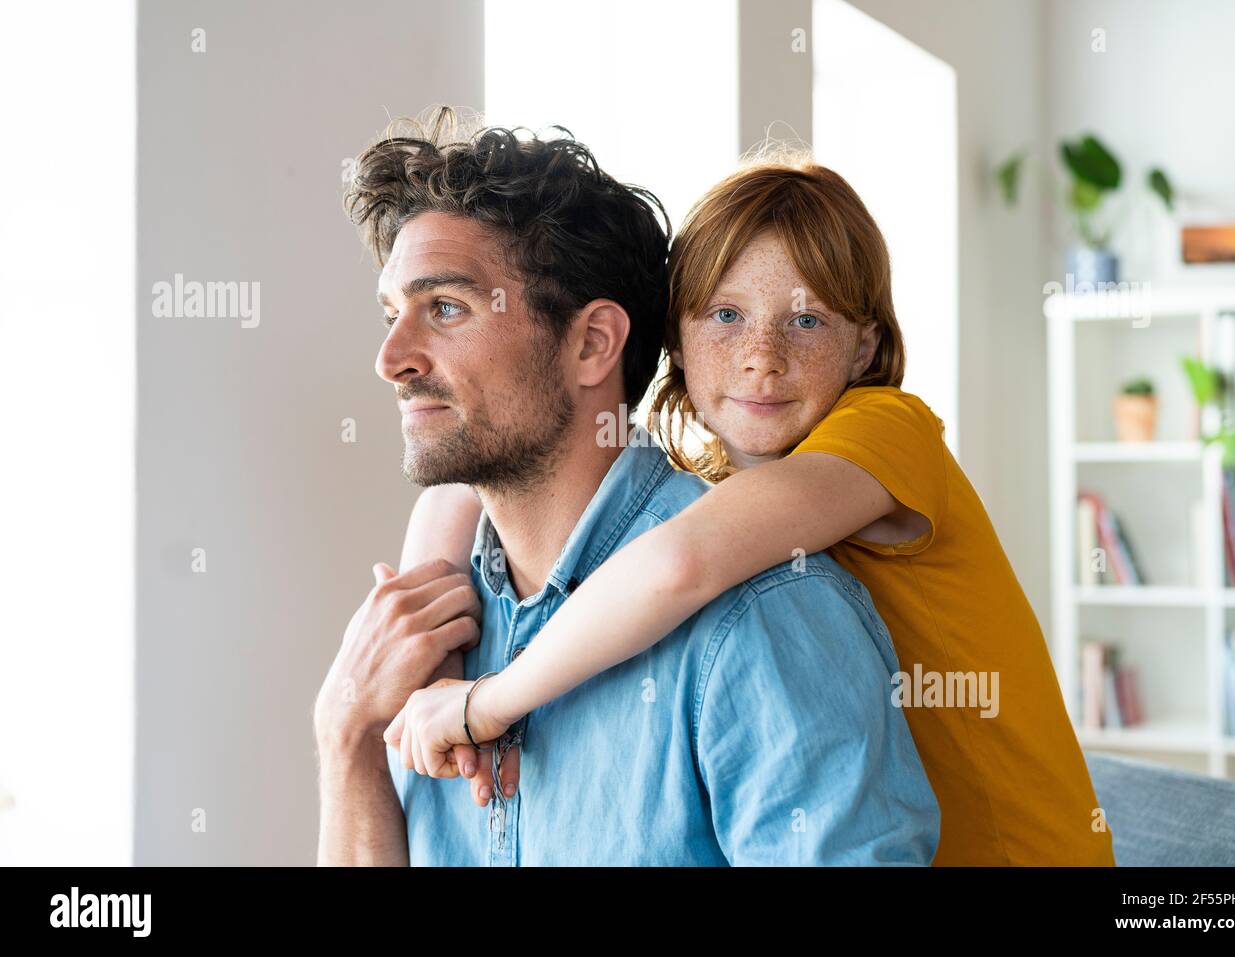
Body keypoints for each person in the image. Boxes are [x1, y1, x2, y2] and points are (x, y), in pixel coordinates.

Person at [387, 152, 1115, 866]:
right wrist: (433, 633)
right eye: (726, 315)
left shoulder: (889, 432)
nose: (762, 356)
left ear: (865, 346)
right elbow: (463, 479)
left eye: (806, 322)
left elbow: (680, 563)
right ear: (675, 336)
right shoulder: (724, 482)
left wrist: (486, 701)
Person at [313, 108, 939, 866]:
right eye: (392, 313)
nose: (391, 357)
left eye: (446, 308)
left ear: (592, 342)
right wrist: (346, 738)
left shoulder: (760, 611)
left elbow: (682, 567)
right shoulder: (424, 628)